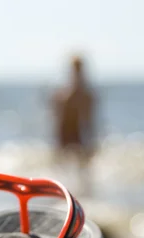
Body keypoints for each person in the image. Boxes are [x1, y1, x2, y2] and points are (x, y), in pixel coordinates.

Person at [50, 55, 97, 194]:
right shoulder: (65, 94)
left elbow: (89, 121)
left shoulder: (83, 95)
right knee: (64, 169)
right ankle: (66, 193)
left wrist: (91, 140)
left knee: (82, 171)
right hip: (66, 134)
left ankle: (80, 194)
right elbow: (57, 119)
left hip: (77, 135)